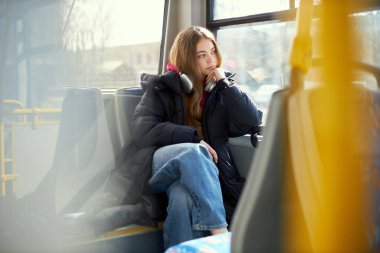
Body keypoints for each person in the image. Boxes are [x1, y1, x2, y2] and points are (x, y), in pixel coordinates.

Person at [131, 26, 263, 248]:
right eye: (202, 55)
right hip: (160, 166)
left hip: (198, 178)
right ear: (187, 59)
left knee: (182, 198)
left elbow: (251, 121)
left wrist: (225, 85)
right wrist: (191, 138)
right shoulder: (160, 87)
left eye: (212, 52)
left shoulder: (219, 89)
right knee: (195, 151)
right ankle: (220, 235)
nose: (211, 60)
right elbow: (142, 130)